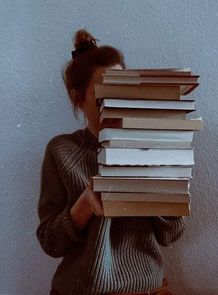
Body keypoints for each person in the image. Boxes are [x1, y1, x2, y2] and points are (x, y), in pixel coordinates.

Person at [36, 29, 185, 295]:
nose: (116, 99)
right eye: (105, 91)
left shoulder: (151, 147)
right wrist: (83, 206)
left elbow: (171, 234)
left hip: (146, 290)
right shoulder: (61, 151)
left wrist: (162, 185)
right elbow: (50, 243)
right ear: (77, 98)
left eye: (122, 88)